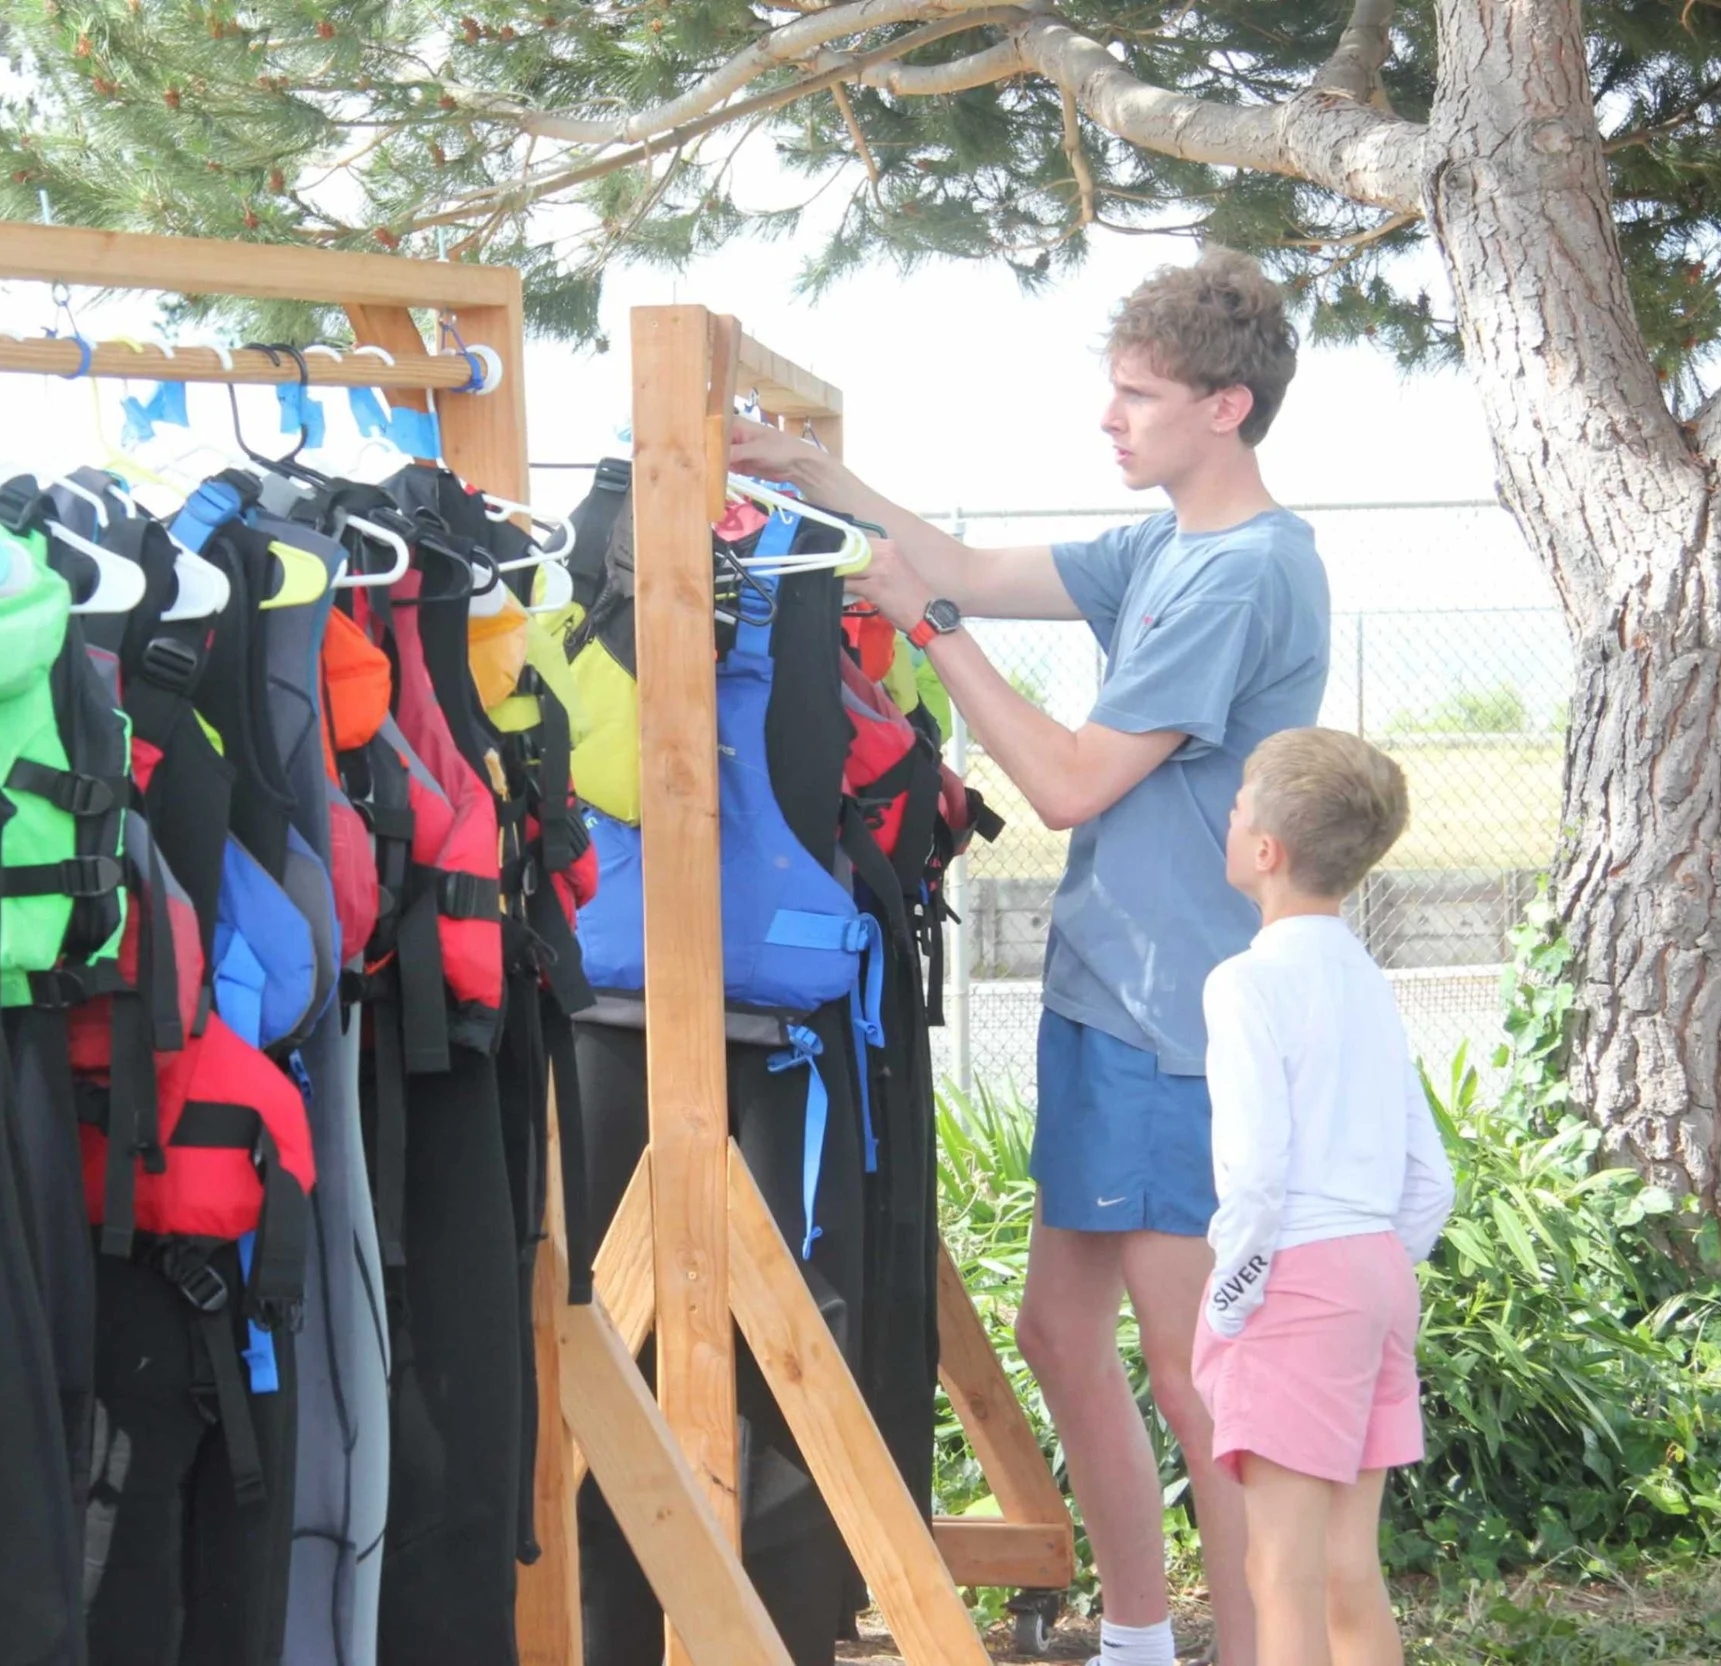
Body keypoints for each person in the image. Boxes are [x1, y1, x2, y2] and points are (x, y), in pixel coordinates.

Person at [729, 245, 1327, 1666]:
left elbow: (1066, 780)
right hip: (1103, 996)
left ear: (1227, 407)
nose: (1109, 420)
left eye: (1138, 396)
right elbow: (970, 567)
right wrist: (817, 473)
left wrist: (926, 630)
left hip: (1176, 1017)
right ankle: (1134, 1635)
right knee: (1061, 1331)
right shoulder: (1167, 544)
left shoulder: (1246, 573)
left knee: (1196, 1375)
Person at [1196, 727, 1454, 1665]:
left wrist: (1230, 1297)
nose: (1227, 820)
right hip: (1377, 1275)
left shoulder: (1245, 983)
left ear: (1266, 851)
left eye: (1236, 807)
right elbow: (1431, 1180)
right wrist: (1368, 1265)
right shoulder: (1366, 981)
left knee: (1282, 1569)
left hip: (1295, 1280)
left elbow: (1254, 1172)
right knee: (1350, 1566)